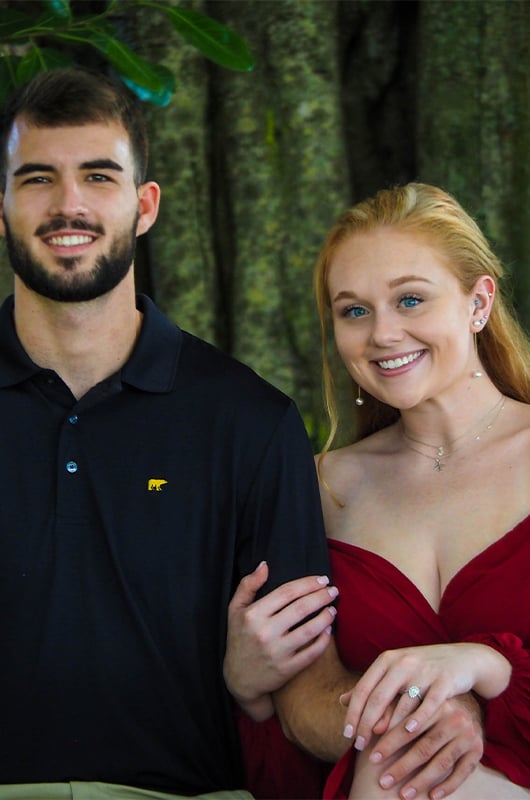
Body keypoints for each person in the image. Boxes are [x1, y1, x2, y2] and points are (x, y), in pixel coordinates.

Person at [0, 66, 336, 799]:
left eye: (98, 176)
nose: (69, 205)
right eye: (36, 179)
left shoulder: (252, 422)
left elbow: (304, 682)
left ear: (145, 205)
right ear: (0, 208)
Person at [228, 183, 530, 799]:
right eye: (354, 311)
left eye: (411, 299)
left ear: (479, 303)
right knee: (395, 776)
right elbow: (305, 716)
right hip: (381, 784)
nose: (383, 334)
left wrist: (487, 668)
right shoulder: (321, 487)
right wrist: (252, 684)